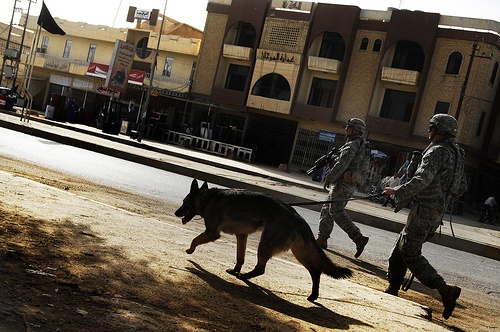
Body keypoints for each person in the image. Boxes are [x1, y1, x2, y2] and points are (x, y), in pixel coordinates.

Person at [382, 114, 467, 319]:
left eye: (431, 127)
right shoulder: (456, 154)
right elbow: (462, 186)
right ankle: (393, 287)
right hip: (436, 211)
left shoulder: (437, 152)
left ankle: (444, 290)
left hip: (425, 210)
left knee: (409, 250)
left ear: (441, 131)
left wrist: (398, 191)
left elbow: (423, 178)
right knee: (401, 246)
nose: (428, 131)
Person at [316, 118, 370, 258]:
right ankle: (322, 239)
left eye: (349, 127)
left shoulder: (352, 145)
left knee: (336, 211)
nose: (346, 129)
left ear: (357, 130)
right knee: (327, 209)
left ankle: (358, 238)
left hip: (343, 184)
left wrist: (329, 176)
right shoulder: (361, 144)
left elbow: (343, 163)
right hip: (348, 183)